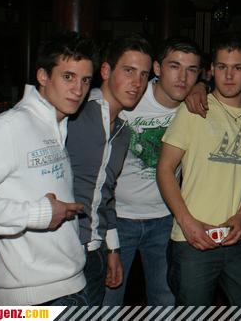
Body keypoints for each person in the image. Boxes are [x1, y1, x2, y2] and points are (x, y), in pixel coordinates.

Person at [0, 32, 97, 305]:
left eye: (85, 80)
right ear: (43, 76)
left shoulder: (58, 125)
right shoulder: (8, 128)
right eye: (68, 77)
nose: (78, 90)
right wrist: (39, 213)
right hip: (33, 297)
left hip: (72, 284)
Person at [157, 38, 241, 305]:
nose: (229, 75)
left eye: (237, 68)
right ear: (212, 70)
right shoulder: (194, 108)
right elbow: (165, 169)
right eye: (222, 67)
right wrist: (187, 222)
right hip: (192, 240)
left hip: (240, 239)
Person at [103, 37, 202, 306]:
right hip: (118, 218)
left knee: (165, 301)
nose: (183, 78)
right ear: (157, 68)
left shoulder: (194, 106)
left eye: (192, 70)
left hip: (165, 218)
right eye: (174, 66)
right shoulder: (132, 94)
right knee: (108, 301)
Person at [68, 34, 152, 305]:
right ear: (105, 71)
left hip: (96, 252)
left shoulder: (123, 132)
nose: (137, 83)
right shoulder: (75, 115)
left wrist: (112, 248)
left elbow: (105, 193)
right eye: (128, 71)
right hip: (61, 254)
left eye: (144, 75)